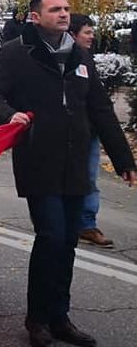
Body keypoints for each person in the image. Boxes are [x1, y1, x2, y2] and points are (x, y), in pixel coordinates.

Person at [0, 0, 136, 347]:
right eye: (55, 9)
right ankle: (37, 319)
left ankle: (60, 317)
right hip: (39, 159)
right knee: (51, 237)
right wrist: (8, 115)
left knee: (68, 242)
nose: (64, 14)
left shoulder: (80, 55)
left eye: (66, 8)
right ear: (36, 17)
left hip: (75, 162)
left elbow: (100, 109)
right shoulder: (15, 53)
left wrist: (124, 159)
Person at [68, 14, 112, 249]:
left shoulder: (87, 60)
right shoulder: (60, 62)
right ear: (72, 35)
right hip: (67, 133)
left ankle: (87, 224)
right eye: (87, 32)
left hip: (89, 131)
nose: (92, 36)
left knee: (90, 178)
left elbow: (99, 104)